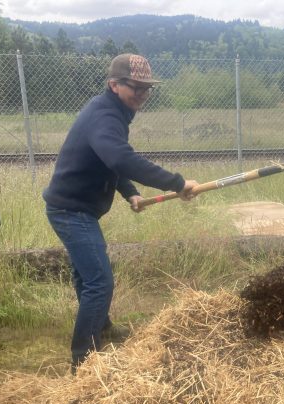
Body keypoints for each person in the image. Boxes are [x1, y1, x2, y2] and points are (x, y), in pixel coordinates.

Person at [43, 53, 199, 372]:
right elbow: (120, 159)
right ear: (114, 85)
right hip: (71, 211)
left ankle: (102, 330)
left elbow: (107, 160)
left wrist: (130, 192)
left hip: (73, 208)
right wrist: (177, 183)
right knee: (100, 282)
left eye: (146, 89)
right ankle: (83, 362)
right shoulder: (105, 116)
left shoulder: (112, 111)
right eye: (135, 88)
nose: (142, 94)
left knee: (88, 278)